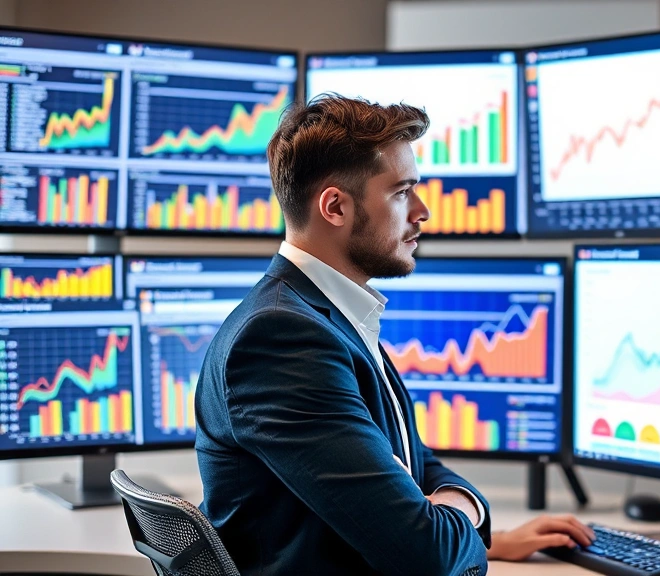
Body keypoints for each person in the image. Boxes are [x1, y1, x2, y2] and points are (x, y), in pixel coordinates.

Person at [194, 94, 595, 575]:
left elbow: (416, 463)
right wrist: (464, 514)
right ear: (335, 207)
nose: (422, 211)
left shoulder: (326, 315)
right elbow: (427, 558)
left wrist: (452, 511)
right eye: (402, 192)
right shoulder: (282, 338)